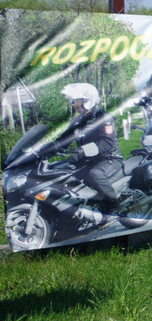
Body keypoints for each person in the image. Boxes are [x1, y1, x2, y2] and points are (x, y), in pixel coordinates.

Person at [42, 83, 123, 223]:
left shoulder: (104, 118)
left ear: (87, 100)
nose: (74, 103)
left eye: (76, 100)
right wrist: (44, 150)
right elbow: (63, 140)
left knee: (95, 174)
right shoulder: (77, 121)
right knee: (60, 172)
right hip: (87, 159)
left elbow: (107, 143)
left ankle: (114, 207)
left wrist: (83, 151)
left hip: (109, 158)